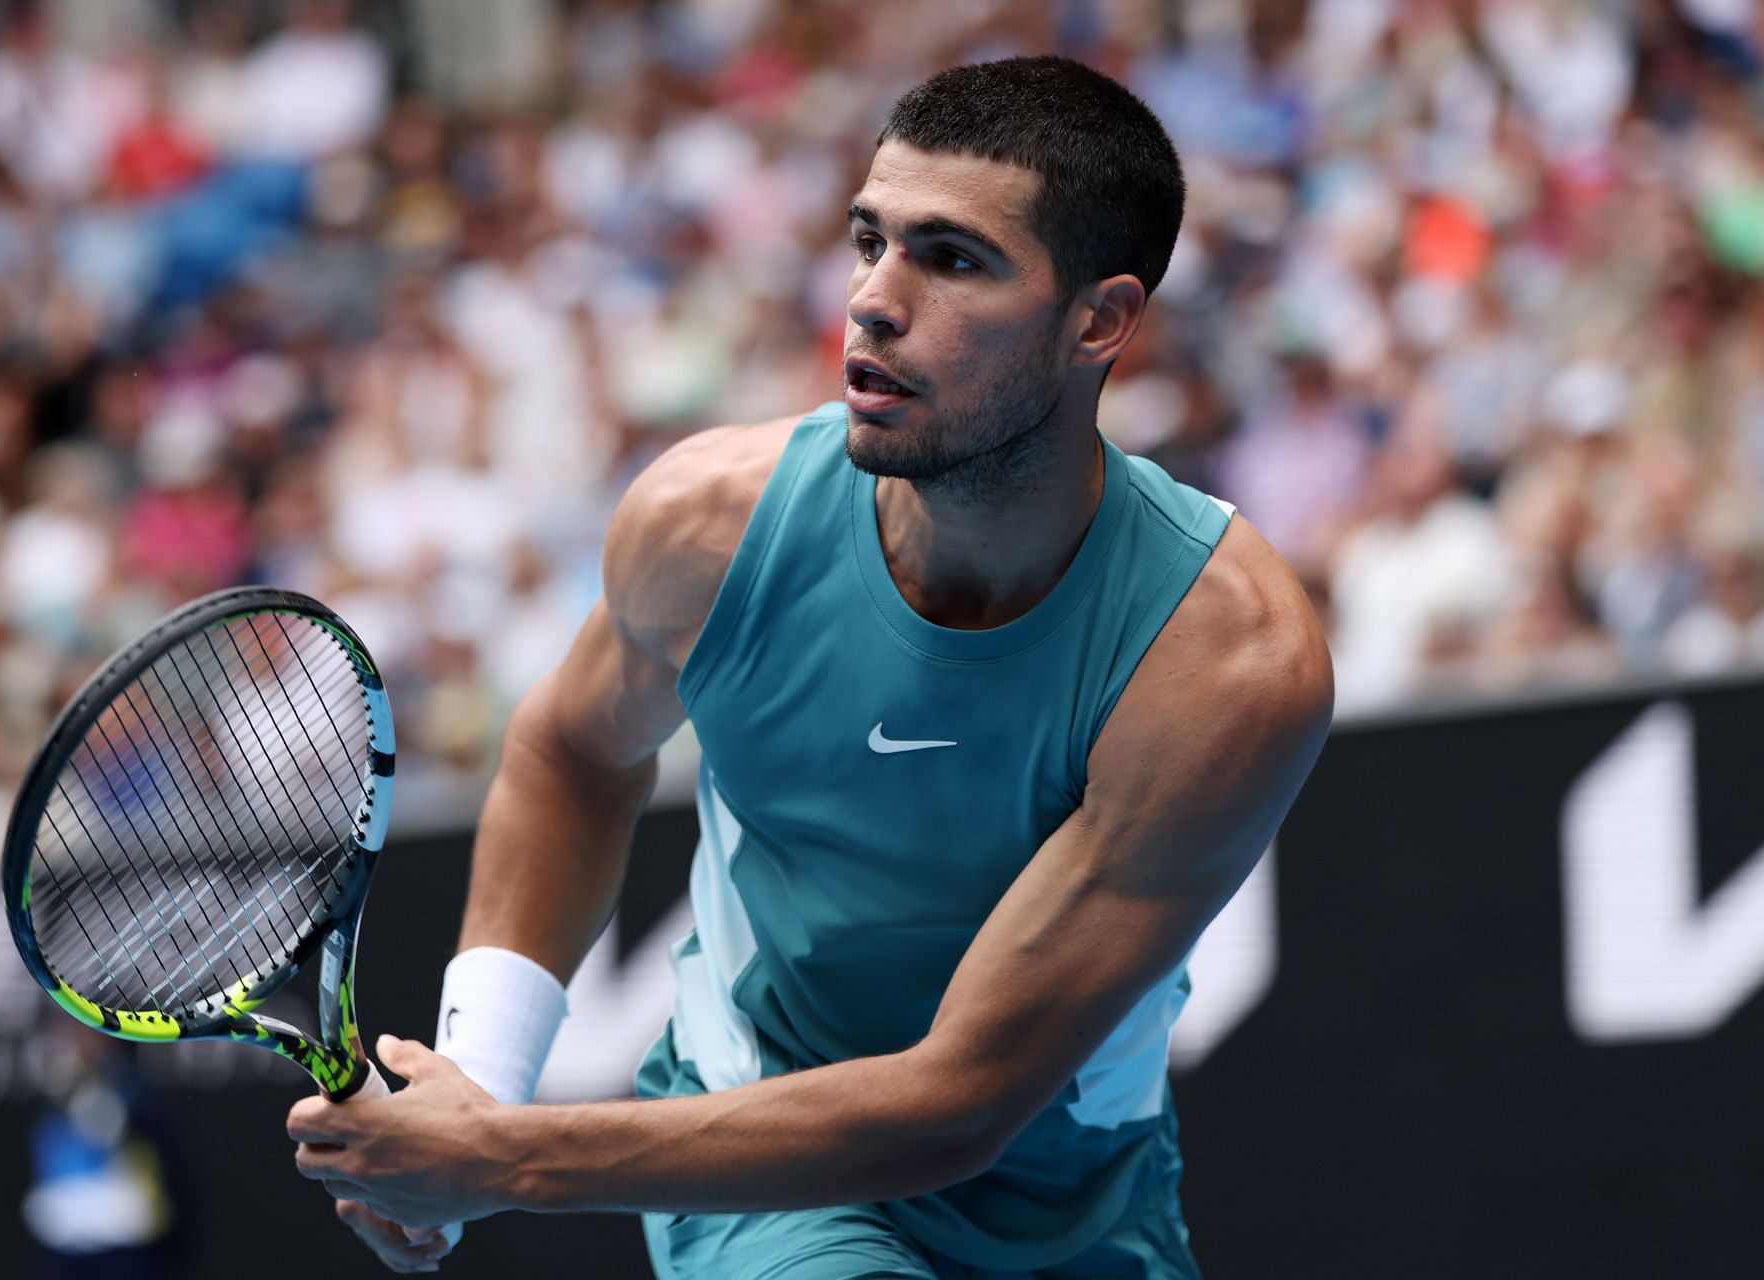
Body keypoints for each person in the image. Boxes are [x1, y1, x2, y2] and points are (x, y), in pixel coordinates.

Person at [287, 55, 1332, 1279]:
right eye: (869, 241)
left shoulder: (1226, 659)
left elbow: (958, 1100)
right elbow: (573, 748)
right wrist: (483, 1068)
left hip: (1082, 1200)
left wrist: (499, 1154)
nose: (873, 301)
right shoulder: (703, 525)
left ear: (1099, 321)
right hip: (762, 1166)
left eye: (952, 259)